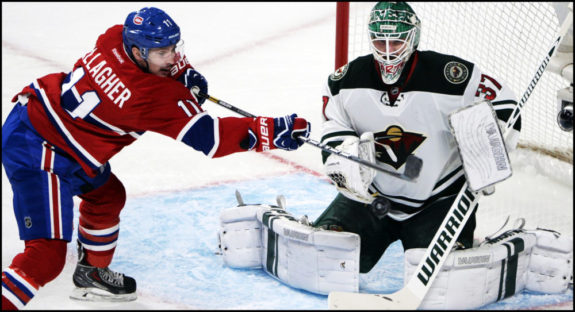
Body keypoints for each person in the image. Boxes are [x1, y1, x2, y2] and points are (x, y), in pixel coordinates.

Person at [1, 7, 310, 309]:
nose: (172, 58)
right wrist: (272, 131)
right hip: (40, 149)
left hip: (47, 121)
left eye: (174, 48)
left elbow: (165, 69)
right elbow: (211, 139)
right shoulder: (148, 97)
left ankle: (92, 275)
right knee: (46, 257)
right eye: (162, 53)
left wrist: (183, 73)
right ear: (137, 52)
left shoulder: (113, 38)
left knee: (107, 197)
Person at [314, 2, 521, 274]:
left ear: (414, 36)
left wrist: (486, 154)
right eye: (380, 41)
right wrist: (343, 155)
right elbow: (333, 125)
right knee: (323, 257)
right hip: (372, 198)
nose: (387, 52)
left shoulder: (452, 76)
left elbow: (507, 106)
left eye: (397, 41)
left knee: (442, 279)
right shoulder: (344, 81)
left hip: (439, 200)